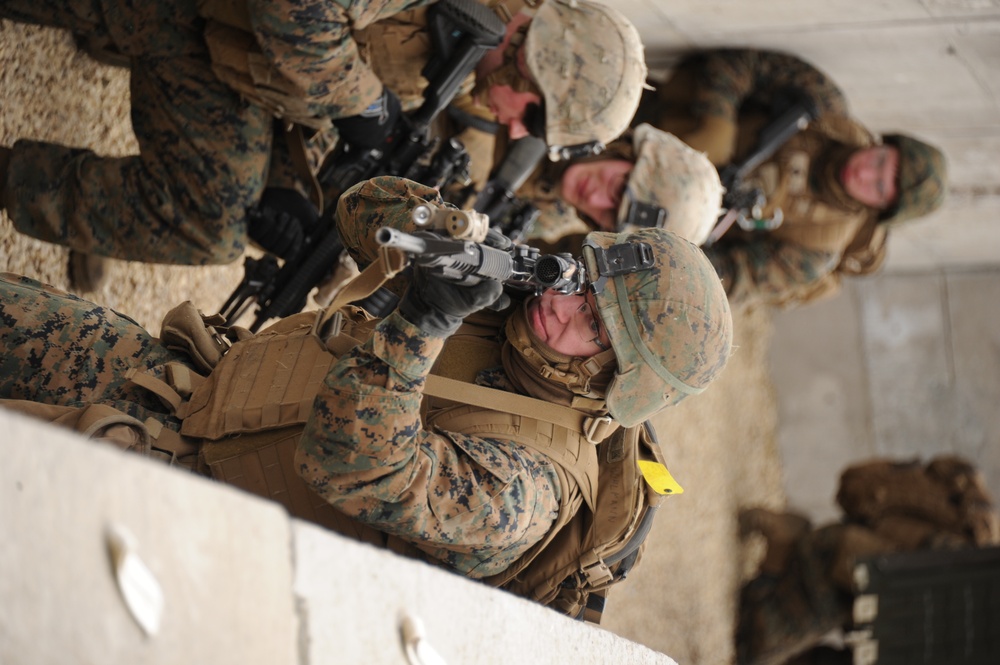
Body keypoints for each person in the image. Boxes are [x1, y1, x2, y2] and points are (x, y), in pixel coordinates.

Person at [0, 175, 733, 614]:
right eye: (584, 284)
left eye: (597, 330)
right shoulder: (521, 306)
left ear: (618, 380)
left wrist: (426, 318)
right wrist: (445, 233)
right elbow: (361, 210)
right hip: (193, 390)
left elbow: (350, 463)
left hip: (190, 506)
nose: (564, 310)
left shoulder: (531, 487)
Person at [0, 0, 646, 283]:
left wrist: (292, 189)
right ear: (534, 65)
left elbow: (322, 97)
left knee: (225, 213)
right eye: (532, 120)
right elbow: (293, 13)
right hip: (184, 17)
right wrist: (362, 103)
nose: (511, 131)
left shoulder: (469, 46)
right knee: (207, 217)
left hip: (210, 36)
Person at [633, 48, 948, 309]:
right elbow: (739, 64)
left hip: (646, 212)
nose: (864, 172)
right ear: (883, 143)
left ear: (879, 209)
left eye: (877, 187)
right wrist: (717, 125)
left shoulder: (814, 250)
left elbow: (719, 282)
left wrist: (672, 236)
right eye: (879, 160)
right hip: (654, 122)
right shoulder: (825, 107)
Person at [736, 455, 999, 665]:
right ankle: (784, 545)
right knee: (751, 646)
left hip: (875, 603)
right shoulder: (979, 607)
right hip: (841, 568)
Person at [513, 123, 724, 253]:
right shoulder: (566, 108)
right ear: (628, 152)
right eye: (619, 188)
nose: (595, 200)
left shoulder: (555, 218)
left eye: (612, 217)